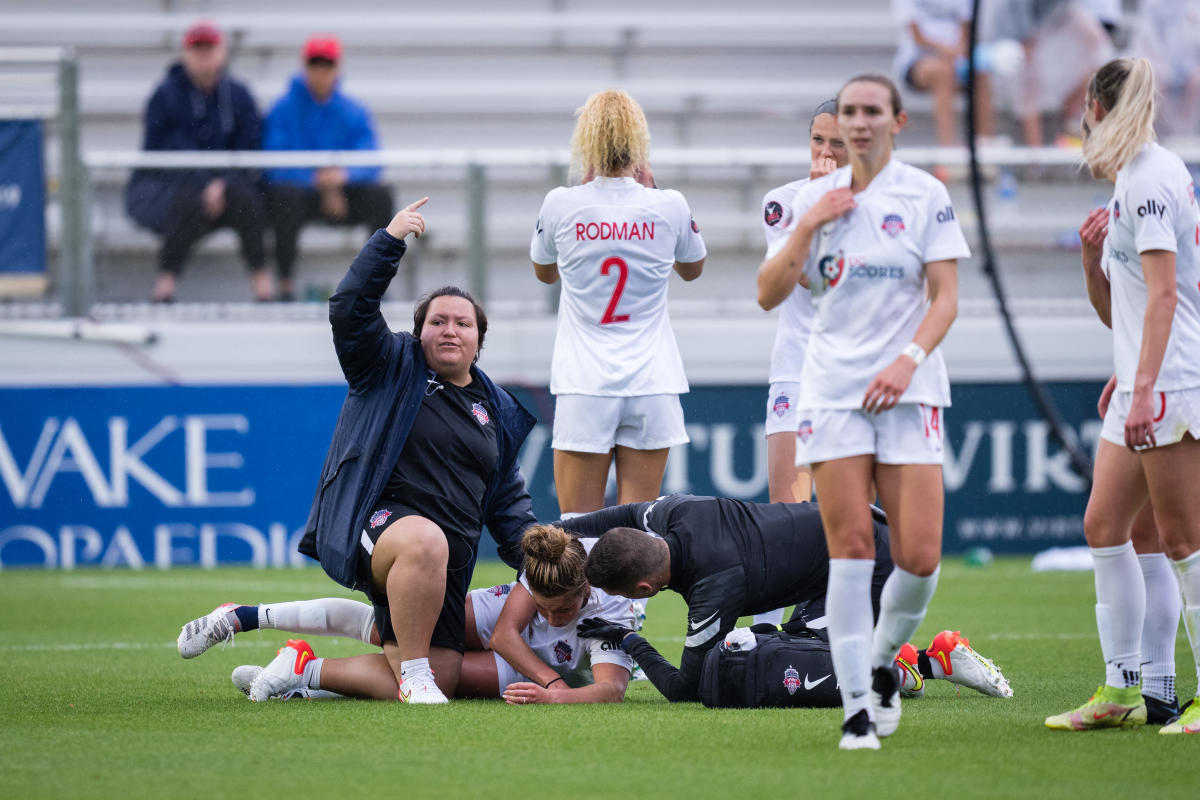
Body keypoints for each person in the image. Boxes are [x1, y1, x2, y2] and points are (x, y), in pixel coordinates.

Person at [756, 73, 969, 749]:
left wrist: (907, 358)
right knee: (846, 551)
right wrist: (808, 227)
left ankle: (880, 659)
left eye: (872, 110)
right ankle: (856, 709)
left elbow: (945, 297)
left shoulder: (926, 195)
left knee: (920, 557)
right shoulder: (810, 200)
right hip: (833, 392)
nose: (860, 121)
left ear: (897, 120)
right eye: (849, 112)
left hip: (910, 393)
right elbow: (768, 292)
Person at [294, 200, 539, 705]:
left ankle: (305, 670)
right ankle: (415, 672)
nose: (450, 330)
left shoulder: (495, 410)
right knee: (425, 543)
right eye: (438, 322)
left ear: (478, 341)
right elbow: (349, 308)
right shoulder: (387, 365)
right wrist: (389, 240)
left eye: (463, 324)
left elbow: (509, 509)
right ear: (418, 331)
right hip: (382, 529)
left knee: (444, 676)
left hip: (444, 563)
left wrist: (544, 566)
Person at [1045, 57, 1200, 736]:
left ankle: (1174, 691)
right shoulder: (1132, 182)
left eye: (1086, 110)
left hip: (1169, 383)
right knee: (1109, 529)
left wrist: (1143, 387)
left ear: (1100, 110)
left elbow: (1168, 295)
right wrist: (1089, 263)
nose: (1082, 124)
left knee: (1183, 539)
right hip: (1142, 377)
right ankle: (1128, 688)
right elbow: (1126, 310)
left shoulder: (1149, 182)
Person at [559, 495, 1009, 705]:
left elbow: (684, 691)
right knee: (792, 641)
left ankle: (936, 660)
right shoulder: (676, 511)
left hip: (875, 563)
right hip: (848, 542)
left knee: (821, 672)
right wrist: (568, 527)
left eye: (623, 598)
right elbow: (624, 513)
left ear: (644, 590)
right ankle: (896, 658)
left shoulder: (714, 589)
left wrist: (626, 637)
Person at [178, 525, 639, 704]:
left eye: (563, 610)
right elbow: (504, 633)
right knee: (389, 630)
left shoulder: (612, 604)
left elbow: (610, 691)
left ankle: (303, 676)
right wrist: (553, 684)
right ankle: (247, 615)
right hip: (507, 631)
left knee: (438, 678)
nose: (553, 618)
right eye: (542, 607)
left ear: (587, 589)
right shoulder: (550, 563)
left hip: (544, 664)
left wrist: (552, 692)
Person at [530, 89, 706, 517]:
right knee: (637, 530)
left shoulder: (561, 203)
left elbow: (545, 272)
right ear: (639, 144)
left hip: (585, 381)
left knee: (578, 528)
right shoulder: (669, 204)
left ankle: (584, 589)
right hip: (651, 380)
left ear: (586, 142)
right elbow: (692, 269)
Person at [124, 20, 270, 303]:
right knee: (187, 201)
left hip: (226, 189)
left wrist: (221, 184)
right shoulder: (165, 96)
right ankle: (165, 284)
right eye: (197, 49)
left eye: (209, 49)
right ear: (185, 54)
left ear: (222, 53)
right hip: (174, 189)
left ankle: (262, 282)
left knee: (247, 199)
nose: (204, 57)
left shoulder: (237, 95)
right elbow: (162, 151)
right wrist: (205, 184)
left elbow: (250, 146)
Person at [263, 35, 394, 301]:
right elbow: (272, 161)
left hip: (342, 192)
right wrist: (318, 181)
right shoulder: (283, 109)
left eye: (327, 64)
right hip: (302, 193)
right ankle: (285, 282)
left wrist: (342, 177)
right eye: (315, 64)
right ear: (305, 67)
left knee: (381, 196)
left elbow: (372, 158)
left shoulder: (353, 110)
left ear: (337, 68)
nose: (321, 71)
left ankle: (375, 283)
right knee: (284, 197)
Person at [891, 0, 996, 174]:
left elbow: (965, 29)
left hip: (955, 58)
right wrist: (947, 51)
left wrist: (958, 51)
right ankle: (949, 150)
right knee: (943, 73)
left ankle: (984, 145)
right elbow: (917, 36)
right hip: (918, 61)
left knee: (980, 73)